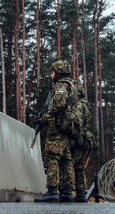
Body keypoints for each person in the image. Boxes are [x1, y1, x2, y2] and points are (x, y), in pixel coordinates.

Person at [35, 60, 78, 202]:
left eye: (52, 72)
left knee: (52, 156)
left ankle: (52, 191)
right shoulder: (72, 85)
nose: (50, 75)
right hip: (66, 126)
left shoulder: (61, 85)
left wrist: (45, 118)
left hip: (58, 126)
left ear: (58, 72)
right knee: (66, 159)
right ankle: (67, 191)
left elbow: (58, 104)